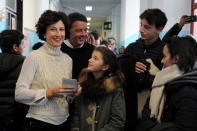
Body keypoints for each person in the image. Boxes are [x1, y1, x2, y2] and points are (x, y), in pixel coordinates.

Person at [15, 10, 81, 131]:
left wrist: (73, 94)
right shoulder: (34, 57)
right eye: (53, 29)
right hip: (39, 122)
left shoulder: (67, 60)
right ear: (44, 33)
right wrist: (49, 92)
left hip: (64, 121)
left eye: (61, 29)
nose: (58, 34)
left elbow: (65, 96)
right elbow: (19, 94)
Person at [118, 8, 167, 131]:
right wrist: (130, 65)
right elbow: (118, 69)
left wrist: (144, 76)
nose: (141, 30)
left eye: (147, 27)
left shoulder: (165, 52)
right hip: (128, 107)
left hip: (151, 110)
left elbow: (166, 82)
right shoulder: (132, 47)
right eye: (141, 25)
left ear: (159, 29)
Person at [138, 36, 197, 131]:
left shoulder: (187, 91)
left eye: (165, 56)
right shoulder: (161, 82)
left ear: (176, 59)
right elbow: (145, 116)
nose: (162, 61)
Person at [71, 46, 126, 131]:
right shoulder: (83, 84)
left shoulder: (114, 90)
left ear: (105, 67)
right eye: (91, 57)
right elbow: (76, 113)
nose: (90, 60)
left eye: (95, 58)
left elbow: (117, 121)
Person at [0, 29, 26, 131]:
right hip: (15, 115)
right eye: (22, 44)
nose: (23, 47)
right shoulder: (24, 65)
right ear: (15, 47)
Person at [61, 12, 95, 79]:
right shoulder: (58, 49)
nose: (84, 34)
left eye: (85, 30)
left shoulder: (92, 50)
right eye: (79, 30)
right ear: (68, 31)